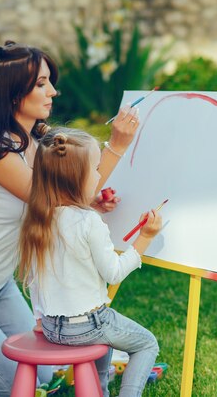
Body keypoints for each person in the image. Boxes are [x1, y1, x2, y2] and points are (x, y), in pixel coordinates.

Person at [0, 41, 141, 396]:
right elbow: (49, 196)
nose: (53, 91)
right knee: (16, 388)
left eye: (49, 82)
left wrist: (91, 203)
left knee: (47, 376)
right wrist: (117, 147)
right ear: (14, 93)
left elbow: (63, 197)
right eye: (41, 84)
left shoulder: (41, 140)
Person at [18, 127, 162, 397]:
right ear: (77, 178)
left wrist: (39, 319)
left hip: (51, 326)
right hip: (89, 325)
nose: (99, 175)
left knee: (105, 338)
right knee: (146, 344)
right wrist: (145, 237)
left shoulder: (39, 218)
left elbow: (34, 281)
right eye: (95, 169)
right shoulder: (88, 222)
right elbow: (114, 272)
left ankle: (99, 391)